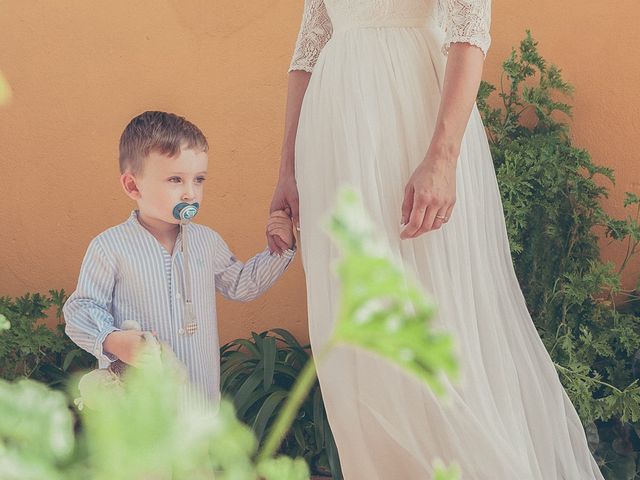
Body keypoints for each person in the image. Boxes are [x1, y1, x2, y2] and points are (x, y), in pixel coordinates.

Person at [268, 1, 605, 478]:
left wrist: (443, 160)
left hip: (410, 122)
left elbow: (470, 32)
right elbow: (306, 57)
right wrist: (287, 169)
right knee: (354, 325)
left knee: (434, 314)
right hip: (334, 137)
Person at [64, 111, 296, 402]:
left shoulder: (206, 242)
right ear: (133, 186)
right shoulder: (110, 247)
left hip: (200, 406)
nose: (190, 193)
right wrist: (112, 340)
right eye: (175, 179)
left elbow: (241, 283)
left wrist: (279, 249)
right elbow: (81, 308)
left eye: (198, 180)